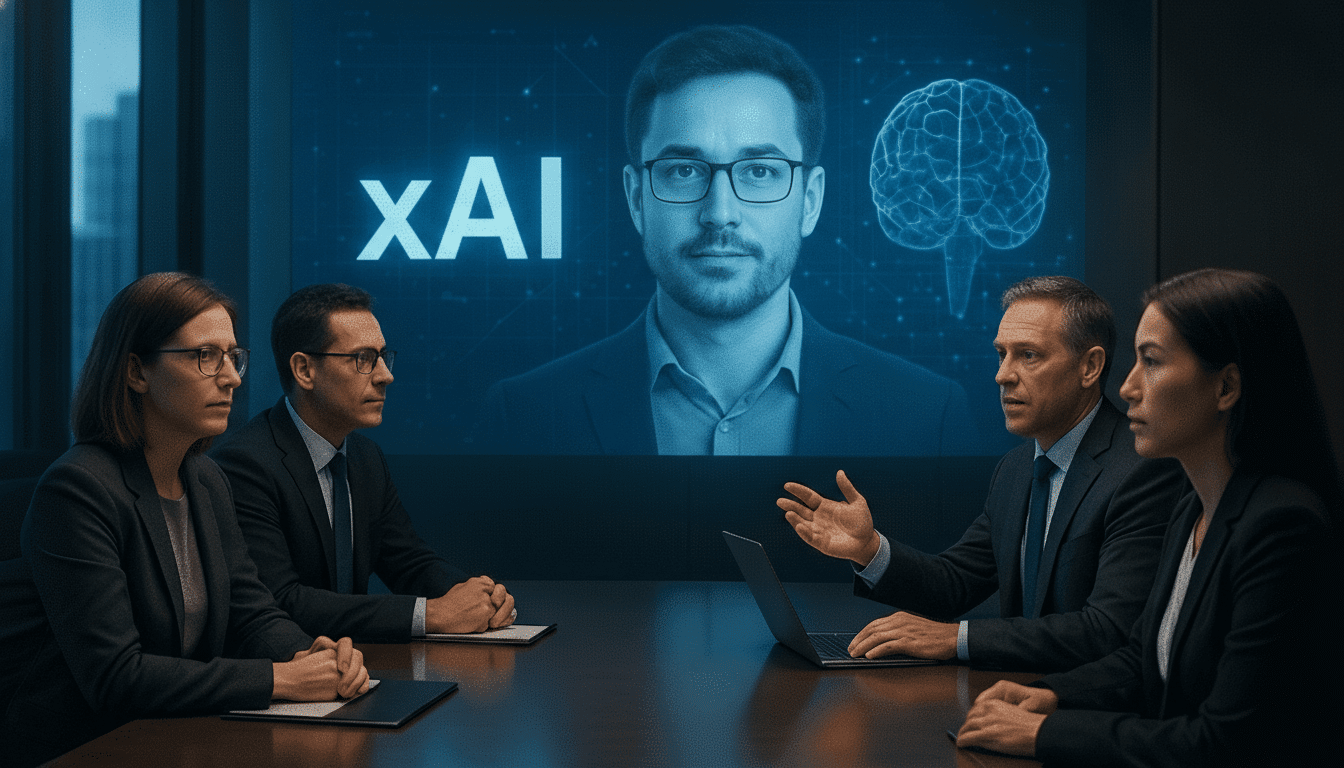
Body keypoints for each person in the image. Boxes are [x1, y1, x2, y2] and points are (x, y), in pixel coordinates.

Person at [480, 25, 977, 456]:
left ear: (810, 200)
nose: (720, 214)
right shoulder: (523, 417)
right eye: (682, 171)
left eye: (760, 171)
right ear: (636, 198)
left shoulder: (927, 417)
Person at [956, 268, 1339, 765]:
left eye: (1151, 362)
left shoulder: (1282, 525)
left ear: (1226, 387)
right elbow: (1143, 660)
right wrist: (1051, 694)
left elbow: (1222, 743)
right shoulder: (1193, 510)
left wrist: (1046, 733)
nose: (1129, 387)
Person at [0, 273, 367, 767]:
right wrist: (282, 678)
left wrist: (314, 656)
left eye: (233, 357)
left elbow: (250, 611)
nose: (232, 377)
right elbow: (117, 677)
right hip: (86, 748)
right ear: (136, 371)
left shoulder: (206, 480)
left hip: (174, 740)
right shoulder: (78, 489)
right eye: (205, 356)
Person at [780, 276, 1187, 671]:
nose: (1003, 375)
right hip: (1014, 695)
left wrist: (956, 639)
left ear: (1090, 367)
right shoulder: (1014, 470)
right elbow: (953, 584)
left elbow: (1107, 631)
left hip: (1089, 713)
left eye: (1028, 355)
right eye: (1001, 353)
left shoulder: (1141, 473)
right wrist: (867, 548)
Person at [211, 283, 515, 643]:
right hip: (296, 674)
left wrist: (478, 596)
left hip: (356, 668)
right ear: (304, 370)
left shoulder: (364, 457)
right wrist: (430, 614)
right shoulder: (246, 464)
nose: (385, 375)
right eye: (364, 359)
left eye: (384, 357)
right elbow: (281, 601)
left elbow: (409, 562)